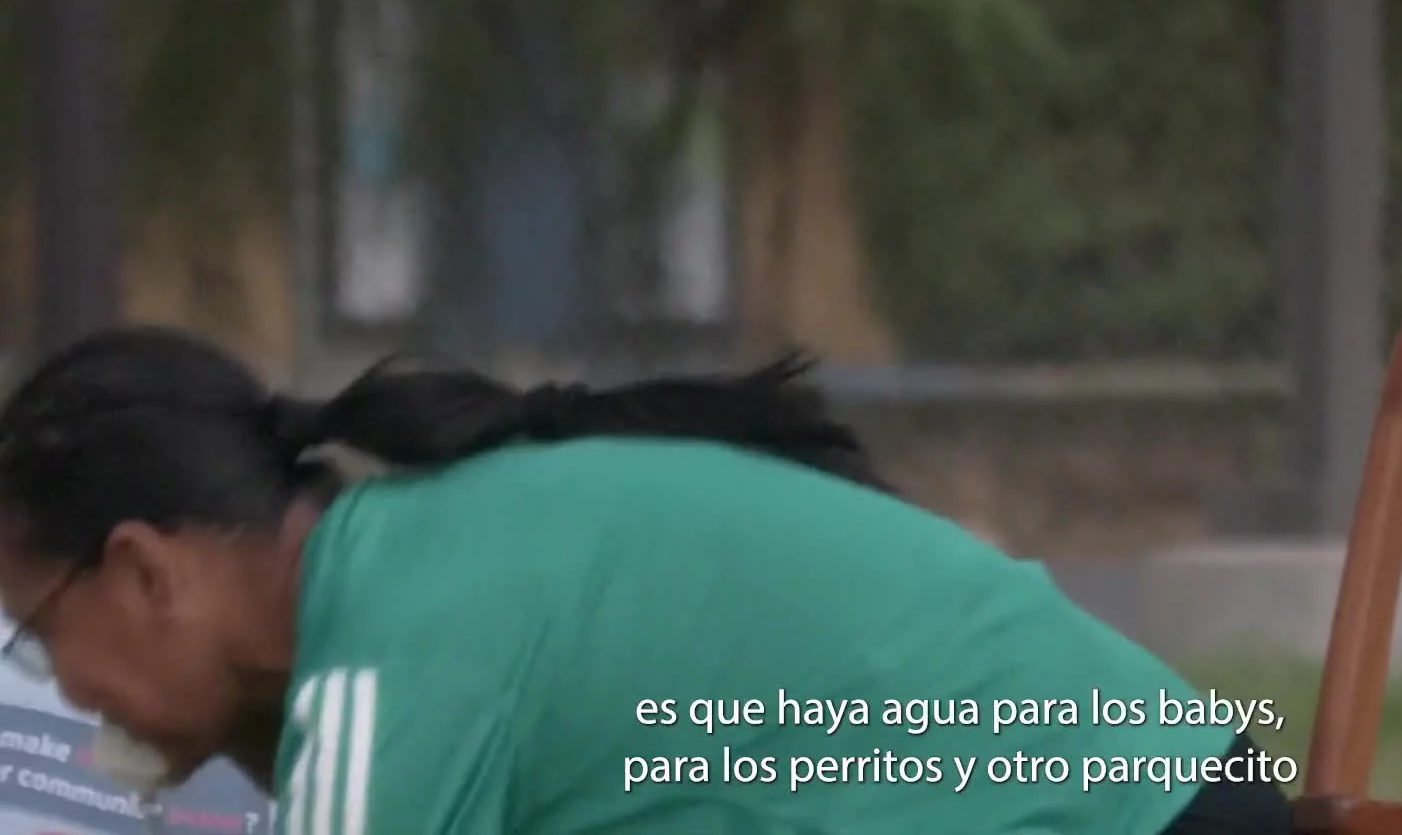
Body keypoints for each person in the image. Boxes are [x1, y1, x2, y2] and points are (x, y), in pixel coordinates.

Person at [0, 326, 1295, 834]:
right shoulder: (421, 561)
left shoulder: (389, 641)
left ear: (145, 571)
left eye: (39, 635)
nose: (60, 688)